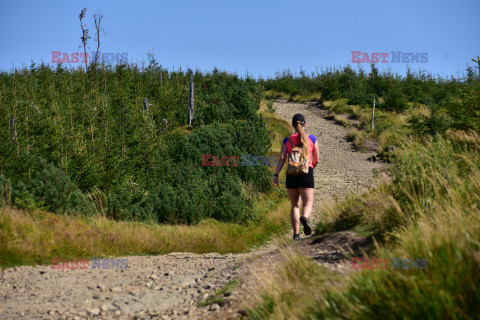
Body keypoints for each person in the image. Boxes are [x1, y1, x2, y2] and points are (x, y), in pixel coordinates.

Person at [273, 113, 320, 240]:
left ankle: (296, 235)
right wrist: (310, 168)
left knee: (294, 205)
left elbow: (282, 159)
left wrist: (276, 174)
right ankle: (304, 217)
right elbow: (316, 159)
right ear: (304, 124)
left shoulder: (287, 140)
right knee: (308, 202)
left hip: (291, 175)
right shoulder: (311, 139)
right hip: (306, 173)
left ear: (293, 125)